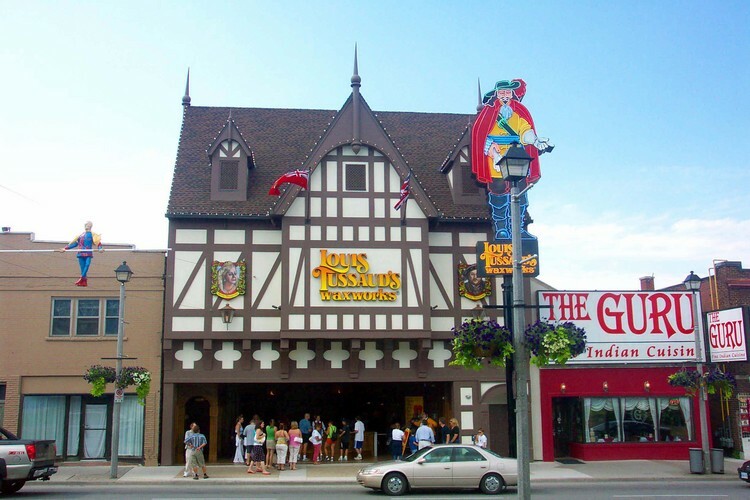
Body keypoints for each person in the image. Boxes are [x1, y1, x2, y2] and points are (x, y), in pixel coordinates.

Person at [470, 79, 553, 240]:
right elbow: (481, 136)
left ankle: (518, 228)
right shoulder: (488, 113)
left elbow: (525, 129)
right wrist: (491, 149)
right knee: (498, 191)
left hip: (518, 156)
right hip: (496, 157)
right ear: (496, 95)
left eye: (508, 92)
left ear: (512, 94)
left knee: (521, 191)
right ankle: (501, 228)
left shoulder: (518, 113)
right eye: (502, 92)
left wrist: (535, 141)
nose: (505, 96)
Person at [57, 221, 103, 287]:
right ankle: (84, 282)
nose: (87, 226)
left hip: (88, 253)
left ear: (91, 226)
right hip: (81, 253)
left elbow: (98, 243)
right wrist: (65, 248)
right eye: (86, 225)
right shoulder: (80, 235)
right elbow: (75, 244)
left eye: (88, 225)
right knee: (82, 268)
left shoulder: (93, 235)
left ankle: (81, 278)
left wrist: (100, 248)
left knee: (87, 265)